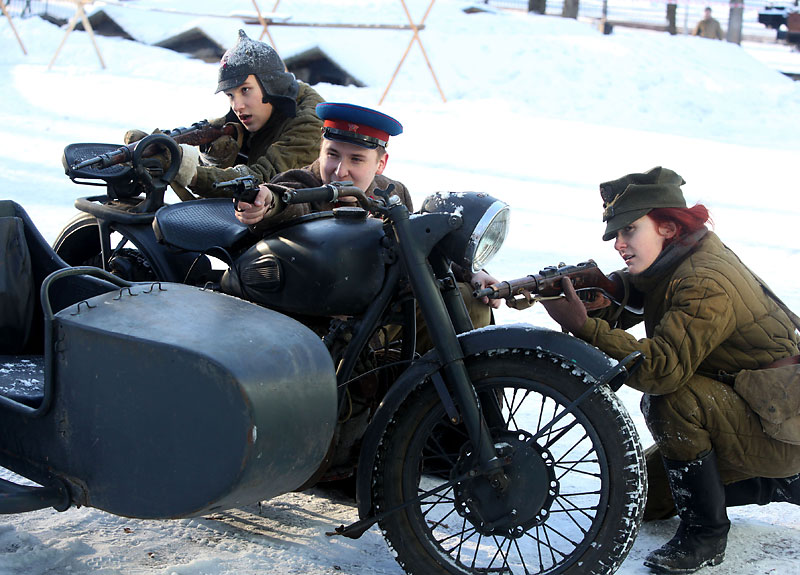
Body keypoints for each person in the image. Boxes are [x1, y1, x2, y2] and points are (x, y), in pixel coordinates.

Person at [537, 167, 800, 574]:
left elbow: (661, 370)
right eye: (615, 236)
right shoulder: (681, 256)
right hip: (757, 411)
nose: (620, 244)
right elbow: (647, 293)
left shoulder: (704, 279)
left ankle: (705, 536)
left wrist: (586, 327)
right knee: (640, 497)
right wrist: (611, 290)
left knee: (671, 400)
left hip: (778, 425)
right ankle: (781, 482)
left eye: (629, 231)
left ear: (667, 226)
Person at [235, 101, 500, 349]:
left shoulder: (392, 193)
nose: (340, 171)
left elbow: (419, 249)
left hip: (380, 316)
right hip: (316, 328)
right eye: (333, 154)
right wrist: (267, 201)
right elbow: (286, 200)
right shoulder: (303, 184)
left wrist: (470, 272)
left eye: (356, 159)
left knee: (468, 302)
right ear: (320, 150)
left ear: (381, 164)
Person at [125, 29, 324, 199]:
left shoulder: (310, 123)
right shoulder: (263, 110)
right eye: (230, 95)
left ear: (272, 86)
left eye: (245, 90)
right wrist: (213, 157)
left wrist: (183, 168)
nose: (237, 106)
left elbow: (259, 181)